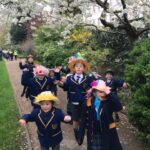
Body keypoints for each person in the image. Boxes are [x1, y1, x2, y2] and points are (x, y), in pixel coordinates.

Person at [78, 80, 123, 150]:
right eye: (100, 90)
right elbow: (83, 118)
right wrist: (81, 135)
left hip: (107, 133)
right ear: (95, 91)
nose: (103, 92)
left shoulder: (109, 101)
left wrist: (109, 93)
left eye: (104, 90)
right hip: (93, 133)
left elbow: (119, 107)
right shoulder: (88, 102)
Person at [59, 52, 93, 140]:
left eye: (81, 66)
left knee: (84, 118)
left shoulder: (88, 78)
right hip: (73, 102)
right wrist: (61, 84)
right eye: (77, 66)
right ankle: (76, 132)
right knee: (75, 119)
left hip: (84, 102)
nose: (79, 68)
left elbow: (94, 86)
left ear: (84, 69)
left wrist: (92, 89)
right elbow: (66, 87)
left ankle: (82, 132)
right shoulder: (69, 78)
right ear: (74, 68)